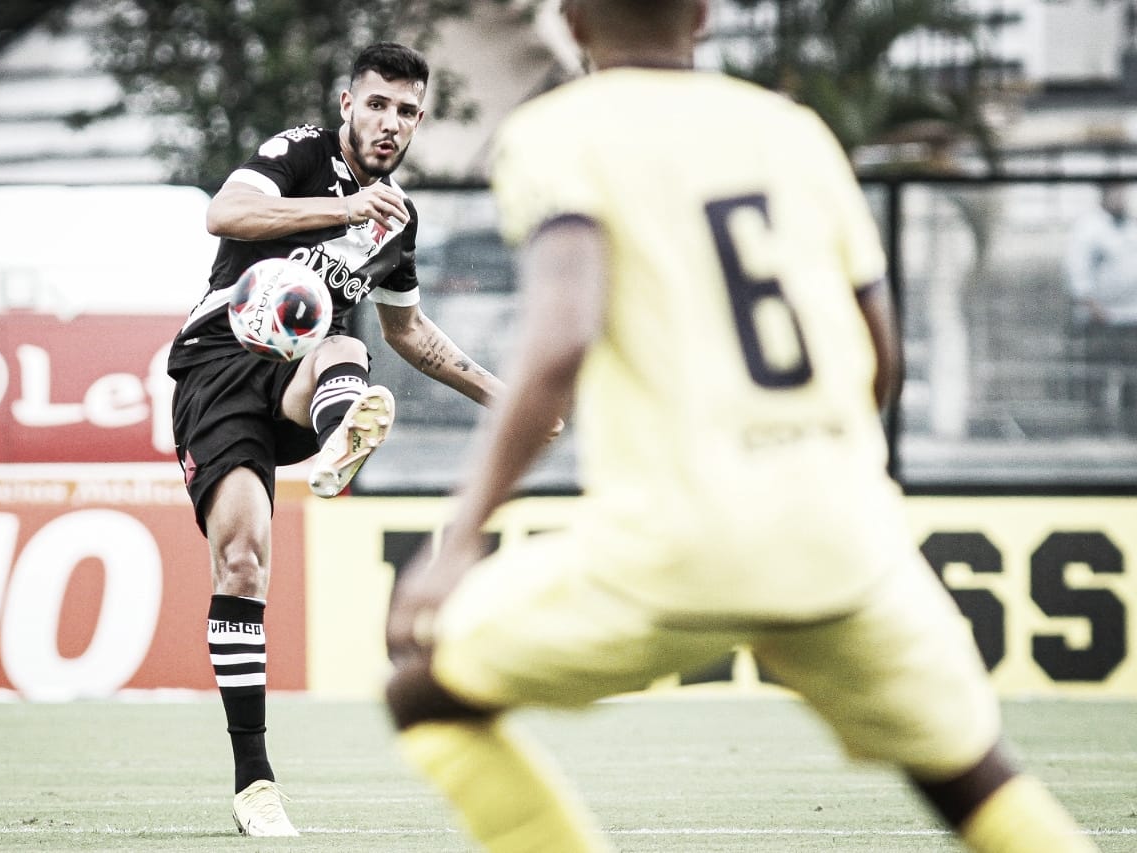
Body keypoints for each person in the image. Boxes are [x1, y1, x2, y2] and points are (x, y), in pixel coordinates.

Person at [383, 2, 1098, 851]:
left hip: (673, 549)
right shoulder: (793, 132)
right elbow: (884, 353)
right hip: (843, 546)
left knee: (423, 697)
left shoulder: (558, 131)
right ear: (706, 18)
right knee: (973, 779)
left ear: (571, 21)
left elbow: (560, 338)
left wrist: (460, 536)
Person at [168, 42, 513, 837]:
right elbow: (226, 213)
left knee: (346, 346)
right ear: (348, 103)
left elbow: (413, 332)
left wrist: (505, 396)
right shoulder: (299, 154)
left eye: (408, 112)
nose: (391, 124)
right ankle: (254, 782)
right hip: (219, 369)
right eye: (380, 104)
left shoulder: (399, 217)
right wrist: (343, 208)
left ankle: (336, 443)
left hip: (302, 378)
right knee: (243, 557)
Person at [1063, 180, 1137, 327]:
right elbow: (1077, 272)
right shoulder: (1087, 227)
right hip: (1101, 316)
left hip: (1131, 313)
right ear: (1104, 194)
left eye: (1123, 192)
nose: (1120, 197)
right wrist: (1095, 310)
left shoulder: (1131, 225)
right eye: (1115, 192)